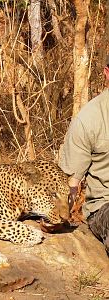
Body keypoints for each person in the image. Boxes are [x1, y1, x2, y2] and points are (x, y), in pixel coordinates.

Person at [59, 58, 109, 253]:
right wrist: (58, 215)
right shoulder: (88, 119)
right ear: (106, 73)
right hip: (104, 207)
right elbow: (69, 182)